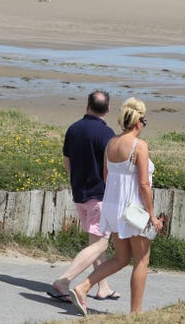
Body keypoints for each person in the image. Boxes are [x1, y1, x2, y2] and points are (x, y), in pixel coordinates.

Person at [69, 97, 163, 315]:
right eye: (144, 121)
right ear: (138, 122)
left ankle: (83, 288)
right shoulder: (140, 146)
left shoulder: (111, 143)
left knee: (121, 258)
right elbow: (143, 184)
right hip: (133, 210)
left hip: (113, 207)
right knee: (142, 260)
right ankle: (136, 313)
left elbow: (106, 175)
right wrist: (152, 214)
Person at [47, 91, 120, 303]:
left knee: (94, 240)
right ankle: (64, 280)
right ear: (107, 109)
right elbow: (111, 167)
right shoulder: (106, 134)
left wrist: (75, 178)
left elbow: (66, 159)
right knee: (101, 243)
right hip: (99, 194)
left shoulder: (73, 129)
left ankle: (103, 286)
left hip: (80, 193)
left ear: (87, 106)